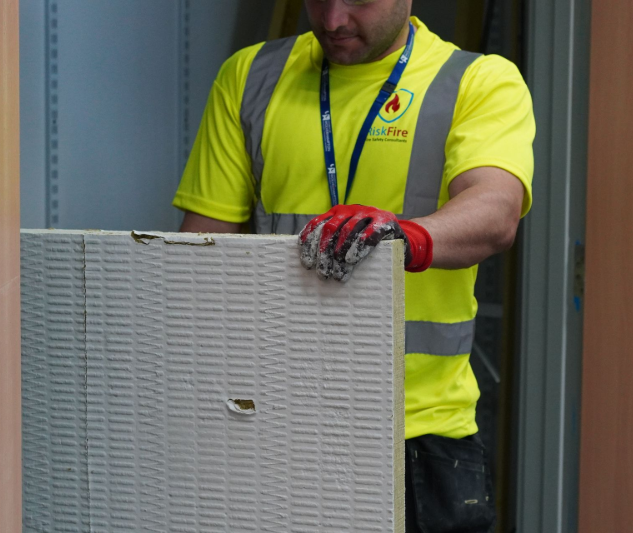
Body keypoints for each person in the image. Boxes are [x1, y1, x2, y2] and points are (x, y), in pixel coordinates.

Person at [174, 0, 535, 530]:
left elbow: (496, 211)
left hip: (417, 435)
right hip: (279, 425)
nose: (334, 20)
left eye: (358, 1)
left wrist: (406, 237)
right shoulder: (251, 76)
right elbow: (198, 259)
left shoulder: (477, 82)